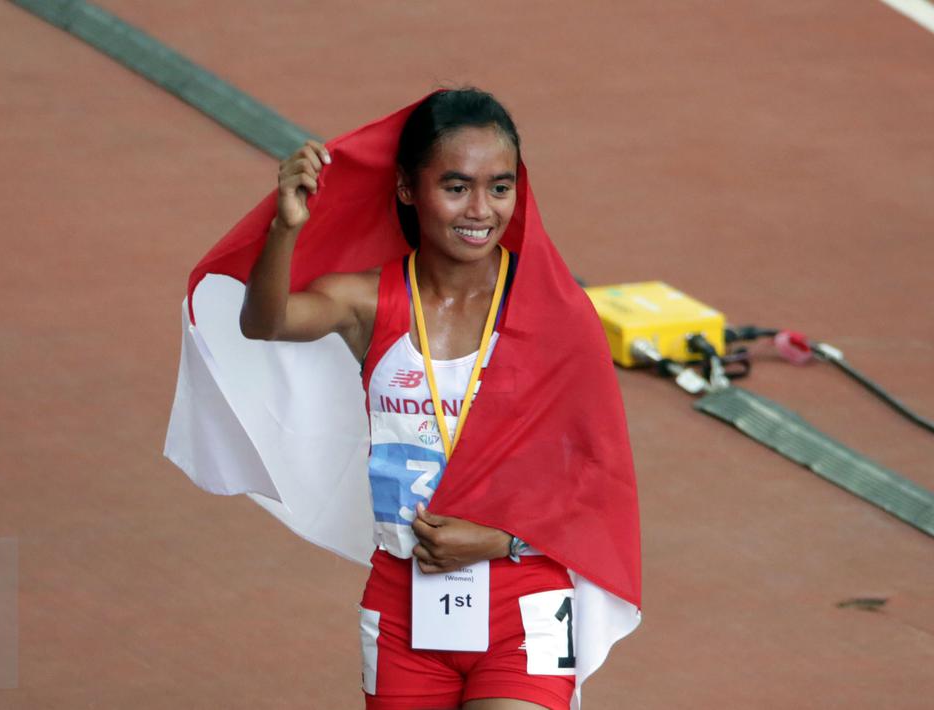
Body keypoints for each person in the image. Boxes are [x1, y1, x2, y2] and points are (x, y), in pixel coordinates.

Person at [166, 89, 640, 710]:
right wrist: (285, 228)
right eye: (456, 186)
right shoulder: (369, 301)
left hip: (525, 600)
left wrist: (503, 542)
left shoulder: (553, 310)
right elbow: (267, 320)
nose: (481, 209)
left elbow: (596, 478)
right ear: (407, 190)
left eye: (500, 187)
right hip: (405, 603)